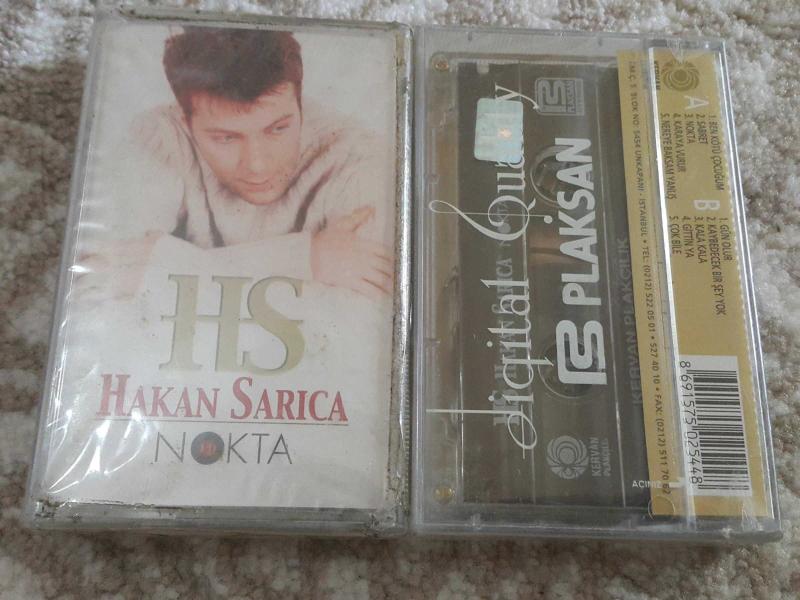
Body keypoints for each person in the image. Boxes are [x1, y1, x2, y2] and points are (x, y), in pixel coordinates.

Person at [77, 27, 393, 301]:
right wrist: (302, 260)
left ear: (300, 106)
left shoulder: (358, 159)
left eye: (278, 129)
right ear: (186, 122)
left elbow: (350, 326)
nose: (257, 165)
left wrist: (164, 264)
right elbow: (92, 280)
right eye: (226, 138)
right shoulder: (158, 137)